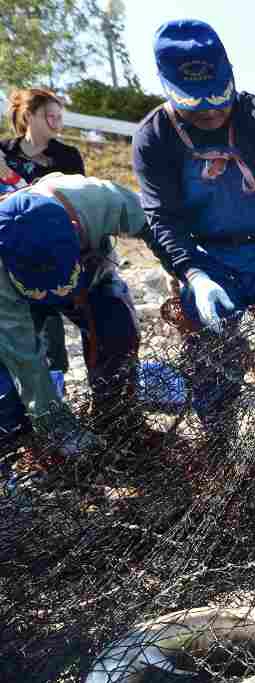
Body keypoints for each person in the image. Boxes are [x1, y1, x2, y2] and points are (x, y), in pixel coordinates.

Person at [134, 19, 255, 438]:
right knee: (211, 361)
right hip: (209, 259)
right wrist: (193, 275)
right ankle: (220, 441)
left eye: (218, 96)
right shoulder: (152, 137)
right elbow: (162, 220)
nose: (210, 110)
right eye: (195, 102)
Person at [0, 175, 146, 458]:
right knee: (7, 382)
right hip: (20, 304)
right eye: (40, 286)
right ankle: (25, 448)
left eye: (59, 282)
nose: (53, 291)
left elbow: (157, 226)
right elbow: (24, 358)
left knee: (118, 337)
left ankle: (118, 427)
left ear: (75, 229)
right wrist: (58, 427)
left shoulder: (97, 199)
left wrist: (191, 273)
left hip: (93, 282)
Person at [2, 88, 87, 392]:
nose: (56, 123)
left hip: (61, 252)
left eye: (60, 117)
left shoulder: (67, 156)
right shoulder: (4, 154)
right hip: (13, 257)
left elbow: (80, 201)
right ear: (28, 116)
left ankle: (91, 388)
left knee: (90, 316)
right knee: (26, 327)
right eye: (49, 116)